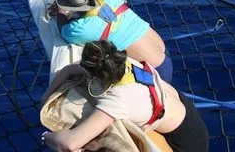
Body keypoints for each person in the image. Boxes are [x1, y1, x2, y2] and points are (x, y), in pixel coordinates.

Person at [42, 40, 209, 152]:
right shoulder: (121, 62)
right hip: (183, 111)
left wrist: (47, 137)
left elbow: (70, 143)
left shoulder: (118, 100)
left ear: (94, 76)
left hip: (185, 141)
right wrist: (46, 97)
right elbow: (70, 70)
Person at [54, 0, 173, 83]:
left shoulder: (80, 29)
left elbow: (63, 28)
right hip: (162, 50)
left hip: (153, 72)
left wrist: (60, 9)